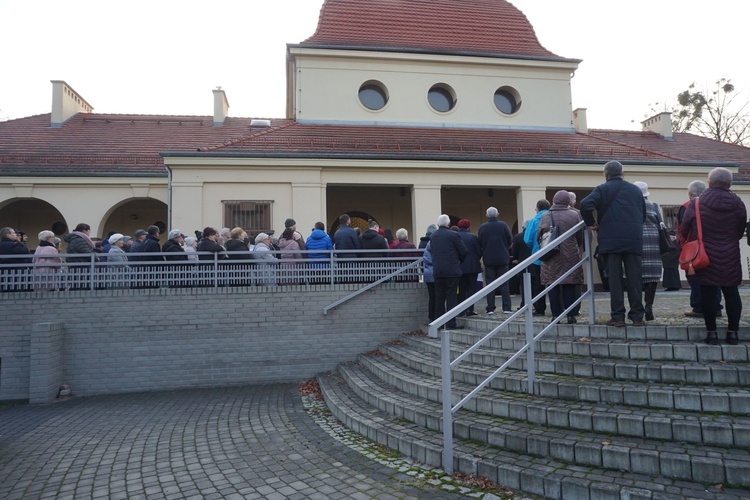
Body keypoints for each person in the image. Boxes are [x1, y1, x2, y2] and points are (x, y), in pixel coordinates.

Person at [680, 167, 746, 345]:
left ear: (709, 183)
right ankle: (733, 333)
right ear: (730, 184)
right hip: (731, 254)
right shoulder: (739, 203)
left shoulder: (696, 203)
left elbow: (685, 229)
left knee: (708, 292)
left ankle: (712, 334)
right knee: (732, 293)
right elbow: (739, 231)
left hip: (705, 255)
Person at [581, 160, 646, 327]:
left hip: (611, 239)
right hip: (633, 238)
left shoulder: (603, 189)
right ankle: (637, 316)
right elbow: (642, 214)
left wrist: (591, 223)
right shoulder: (635, 190)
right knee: (635, 278)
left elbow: (585, 204)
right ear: (622, 173)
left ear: (606, 175)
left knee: (615, 279)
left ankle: (618, 317)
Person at [537, 190, 583, 324]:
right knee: (569, 283)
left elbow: (539, 234)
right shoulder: (575, 215)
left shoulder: (546, 216)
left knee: (552, 284)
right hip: (570, 254)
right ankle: (570, 315)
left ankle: (556, 315)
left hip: (551, 254)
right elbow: (580, 235)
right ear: (568, 201)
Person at [677, 180, 722, 318]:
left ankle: (698, 307)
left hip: (694, 248)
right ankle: (716, 307)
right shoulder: (714, 206)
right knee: (714, 277)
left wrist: (684, 247)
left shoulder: (686, 206)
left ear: (690, 194)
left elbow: (683, 230)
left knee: (695, 278)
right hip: (714, 247)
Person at [430, 214, 468, 329]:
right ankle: (451, 323)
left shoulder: (433, 236)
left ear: (438, 224)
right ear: (449, 224)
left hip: (437, 270)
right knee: (451, 296)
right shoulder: (453, 235)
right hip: (452, 270)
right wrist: (457, 262)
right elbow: (463, 251)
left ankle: (439, 324)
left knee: (439, 297)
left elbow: (432, 252)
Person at [633, 181, 663, 321]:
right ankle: (649, 306)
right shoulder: (654, 205)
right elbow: (660, 224)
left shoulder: (631, 205)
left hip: (636, 241)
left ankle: (637, 307)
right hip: (653, 242)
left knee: (636, 276)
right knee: (653, 276)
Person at [477, 206, 513, 315]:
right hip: (503, 258)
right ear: (498, 214)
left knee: (490, 284)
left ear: (486, 215)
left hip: (489, 259)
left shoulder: (482, 227)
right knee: (504, 284)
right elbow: (510, 240)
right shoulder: (503, 225)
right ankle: (506, 307)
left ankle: (490, 308)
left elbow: (480, 243)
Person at [523, 200, 551, 316]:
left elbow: (527, 240)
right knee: (555, 282)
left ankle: (540, 308)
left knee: (538, 284)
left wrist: (535, 248)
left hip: (538, 257)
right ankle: (558, 308)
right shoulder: (553, 218)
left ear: (538, 208)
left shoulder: (534, 220)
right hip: (554, 255)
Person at [456, 219, 481, 316]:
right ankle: (470, 310)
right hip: (472, 267)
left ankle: (461, 310)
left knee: (461, 289)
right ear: (468, 226)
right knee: (471, 289)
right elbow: (479, 251)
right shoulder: (473, 237)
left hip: (460, 267)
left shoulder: (456, 236)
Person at [510, 220, 532, 310]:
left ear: (523, 227)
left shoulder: (518, 237)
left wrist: (515, 258)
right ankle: (538, 305)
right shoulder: (534, 235)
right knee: (536, 284)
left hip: (522, 263)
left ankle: (524, 303)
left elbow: (514, 251)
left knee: (523, 285)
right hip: (534, 263)